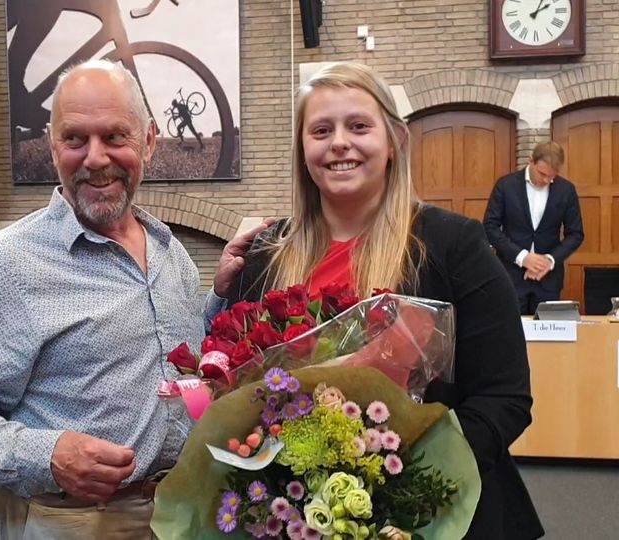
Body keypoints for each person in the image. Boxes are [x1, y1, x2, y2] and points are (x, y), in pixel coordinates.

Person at [0, 59, 267, 540]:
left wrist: (219, 298)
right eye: (75, 139)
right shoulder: (8, 265)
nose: (96, 158)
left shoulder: (169, 250)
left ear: (149, 141)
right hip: (70, 522)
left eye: (115, 136)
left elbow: (171, 357)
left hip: (180, 509)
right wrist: (47, 456)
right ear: (52, 145)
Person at [209, 62, 543, 539]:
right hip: (295, 514)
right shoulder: (266, 255)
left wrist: (399, 484)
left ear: (395, 141)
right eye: (321, 130)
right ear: (302, 149)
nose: (339, 143)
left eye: (359, 126)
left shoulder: (454, 246)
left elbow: (503, 397)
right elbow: (238, 393)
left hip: (429, 514)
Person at [483, 142, 584, 315]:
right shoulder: (506, 185)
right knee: (512, 328)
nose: (546, 180)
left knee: (548, 330)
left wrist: (550, 260)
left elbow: (576, 234)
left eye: (552, 176)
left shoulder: (566, 190)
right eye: (542, 174)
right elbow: (489, 227)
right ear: (531, 161)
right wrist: (522, 257)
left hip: (548, 280)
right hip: (511, 275)